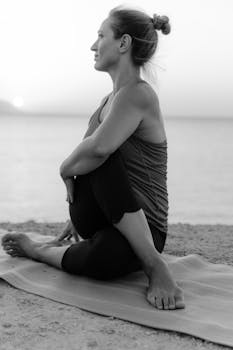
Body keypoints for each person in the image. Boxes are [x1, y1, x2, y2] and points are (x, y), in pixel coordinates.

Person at [2, 6, 185, 311]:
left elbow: (98, 151)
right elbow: (88, 156)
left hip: (149, 230)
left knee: (103, 260)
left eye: (101, 36)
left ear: (123, 43)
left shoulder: (139, 94)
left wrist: (64, 169)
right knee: (93, 155)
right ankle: (147, 264)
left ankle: (152, 263)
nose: (93, 45)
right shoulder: (106, 103)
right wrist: (76, 215)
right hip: (105, 219)